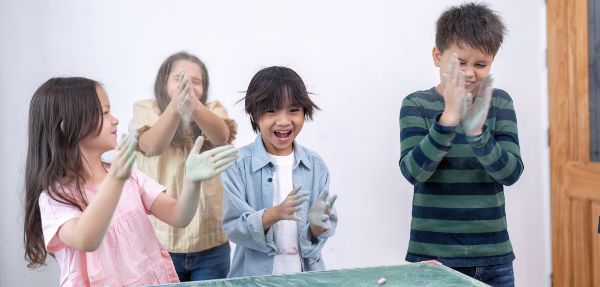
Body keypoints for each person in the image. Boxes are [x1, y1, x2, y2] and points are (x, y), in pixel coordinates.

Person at [23, 77, 237, 286]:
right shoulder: (55, 197)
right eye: (104, 113)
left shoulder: (129, 176)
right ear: (68, 127)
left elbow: (179, 216)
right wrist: (116, 179)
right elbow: (86, 239)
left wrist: (192, 181)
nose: (115, 119)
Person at [398, 3, 523, 287]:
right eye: (460, 63)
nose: (470, 73)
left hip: (493, 257)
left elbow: (511, 173)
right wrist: (448, 119)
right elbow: (414, 172)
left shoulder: (498, 102)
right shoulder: (416, 104)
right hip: (432, 259)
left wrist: (478, 134)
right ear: (437, 56)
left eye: (481, 64)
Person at [129, 52, 237, 281]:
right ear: (163, 81)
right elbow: (152, 146)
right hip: (161, 242)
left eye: (196, 82)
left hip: (211, 243)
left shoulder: (212, 108)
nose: (188, 85)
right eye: (180, 78)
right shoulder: (146, 109)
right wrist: (176, 107)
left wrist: (194, 106)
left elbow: (221, 136)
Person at [221, 66, 338, 278]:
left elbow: (320, 235)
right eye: (272, 110)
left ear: (304, 112)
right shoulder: (237, 165)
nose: (284, 121)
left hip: (306, 278)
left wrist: (316, 226)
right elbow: (233, 226)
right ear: (253, 114)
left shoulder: (315, 165)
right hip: (253, 279)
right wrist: (274, 214)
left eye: (293, 110)